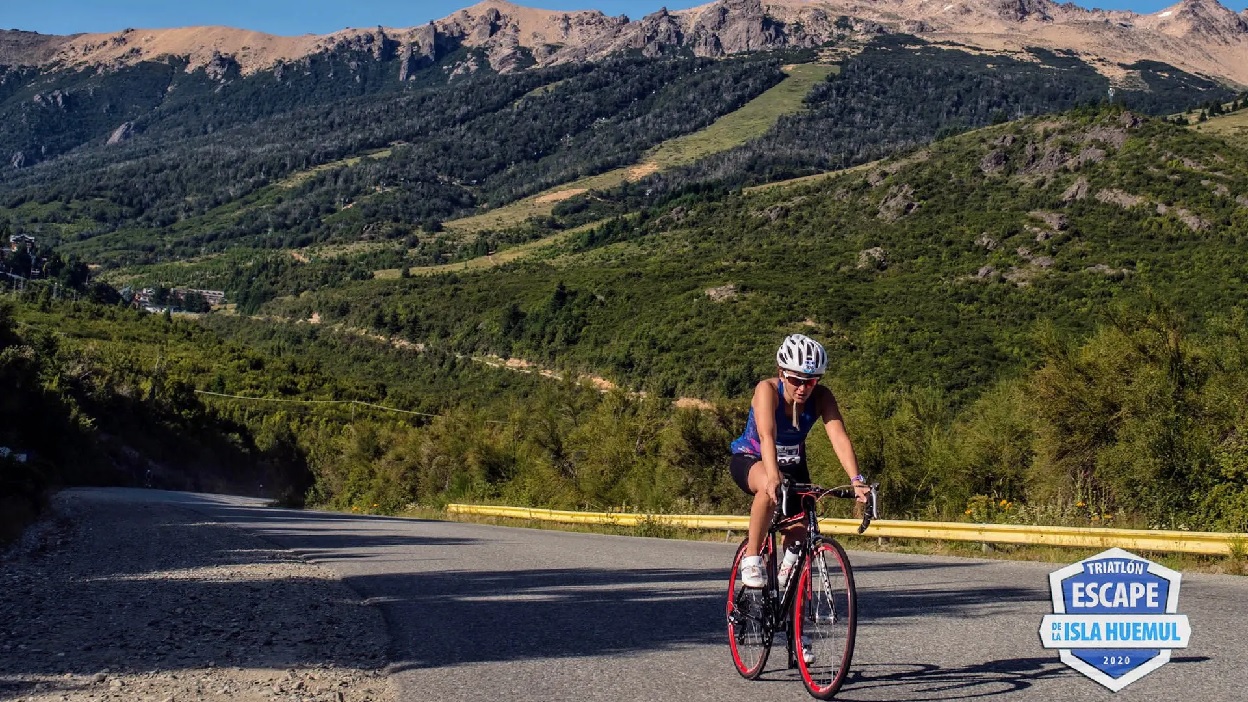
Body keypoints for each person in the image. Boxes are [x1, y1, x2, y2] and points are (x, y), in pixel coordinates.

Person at [729, 333, 869, 590]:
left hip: (793, 464)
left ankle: (788, 576)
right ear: (781, 372)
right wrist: (772, 476)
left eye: (811, 381)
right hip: (752, 457)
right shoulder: (767, 390)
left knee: (801, 525)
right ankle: (751, 557)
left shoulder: (822, 397)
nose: (803, 388)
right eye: (796, 380)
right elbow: (766, 435)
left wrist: (857, 480)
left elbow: (838, 436)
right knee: (769, 487)